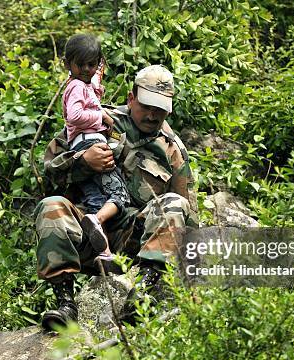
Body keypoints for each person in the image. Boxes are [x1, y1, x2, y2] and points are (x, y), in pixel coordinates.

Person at [36, 64, 198, 330]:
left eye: (160, 109)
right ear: (131, 97)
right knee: (51, 206)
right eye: (146, 105)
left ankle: (142, 295)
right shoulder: (96, 120)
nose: (152, 115)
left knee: (174, 204)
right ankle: (65, 302)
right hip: (88, 232)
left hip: (136, 242)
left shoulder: (172, 149)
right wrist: (82, 162)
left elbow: (187, 216)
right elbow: (48, 172)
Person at [61, 33, 130, 260]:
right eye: (80, 65)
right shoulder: (77, 87)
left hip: (80, 148)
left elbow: (96, 80)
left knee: (96, 201)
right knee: (119, 195)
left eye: (92, 64)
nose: (87, 69)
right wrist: (101, 116)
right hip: (92, 144)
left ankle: (104, 252)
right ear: (67, 64)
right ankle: (97, 220)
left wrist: (98, 69)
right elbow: (75, 115)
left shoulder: (86, 83)